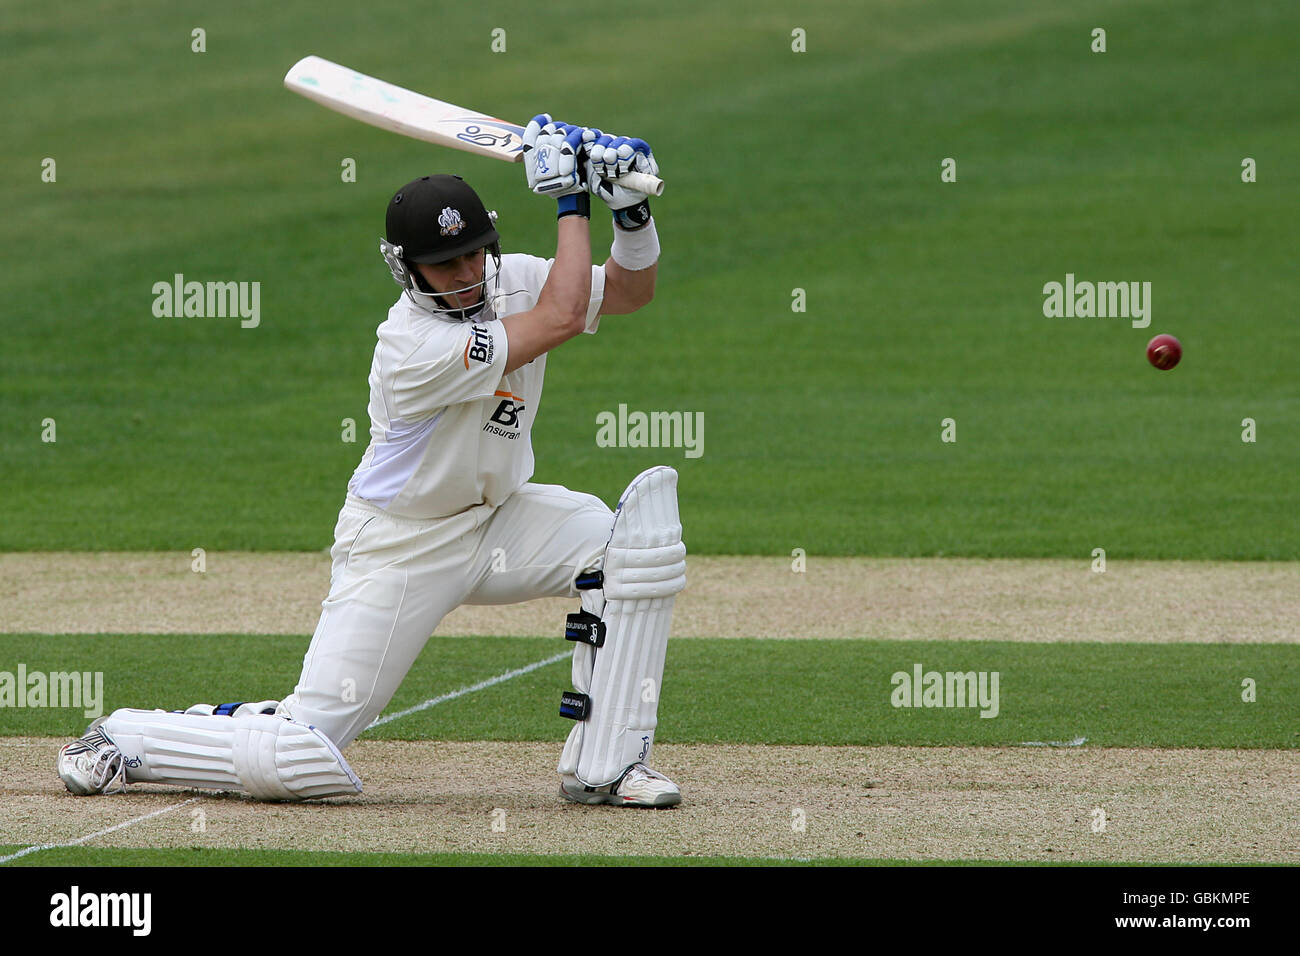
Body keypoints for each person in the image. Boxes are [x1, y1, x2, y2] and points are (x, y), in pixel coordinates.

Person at [57, 116, 687, 808]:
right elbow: (560, 319)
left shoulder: (514, 278)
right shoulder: (410, 346)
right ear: (407, 267)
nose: (468, 274)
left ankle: (608, 765)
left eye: (477, 254)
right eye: (446, 265)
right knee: (302, 753)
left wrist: (631, 212)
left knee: (625, 548)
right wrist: (571, 199)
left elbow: (628, 292)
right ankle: (127, 737)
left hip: (497, 521)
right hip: (401, 545)